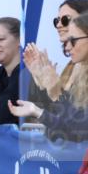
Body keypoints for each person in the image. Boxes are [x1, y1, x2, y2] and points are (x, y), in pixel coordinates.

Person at [11, 11, 88, 142]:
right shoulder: (81, 72)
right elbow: (67, 125)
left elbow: (78, 130)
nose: (67, 47)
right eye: (65, 43)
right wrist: (47, 89)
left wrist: (54, 91)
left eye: (73, 41)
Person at [26, 0, 88, 105]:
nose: (59, 25)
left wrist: (52, 89)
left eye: (65, 20)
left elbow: (75, 116)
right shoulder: (71, 65)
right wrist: (40, 81)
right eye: (57, 21)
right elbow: (56, 112)